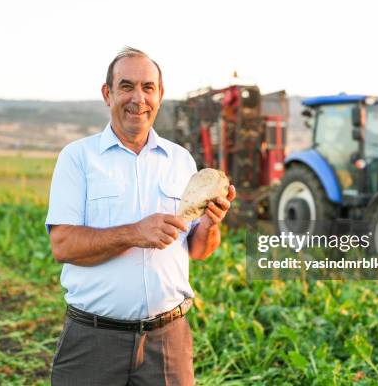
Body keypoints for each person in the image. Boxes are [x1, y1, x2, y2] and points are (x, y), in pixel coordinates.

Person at [45, 47, 236, 385]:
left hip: (168, 341)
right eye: (127, 86)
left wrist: (210, 223)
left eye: (148, 87)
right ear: (108, 94)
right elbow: (63, 245)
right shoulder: (78, 158)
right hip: (94, 340)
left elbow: (198, 250)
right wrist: (135, 232)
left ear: (160, 95)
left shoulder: (181, 161)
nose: (139, 98)